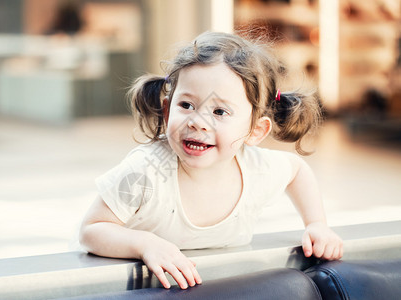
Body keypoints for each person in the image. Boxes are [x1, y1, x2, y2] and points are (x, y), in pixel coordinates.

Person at [79, 31, 343, 290]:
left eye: (219, 111)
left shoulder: (257, 169)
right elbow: (92, 230)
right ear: (167, 108)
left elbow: (297, 171)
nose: (198, 122)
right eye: (186, 105)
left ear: (256, 131)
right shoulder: (145, 171)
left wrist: (317, 225)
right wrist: (145, 244)